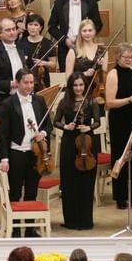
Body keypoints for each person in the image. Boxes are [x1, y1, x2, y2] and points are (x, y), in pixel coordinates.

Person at [0, 69, 51, 233]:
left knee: (31, 191)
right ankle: (14, 229)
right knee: (14, 191)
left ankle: (29, 228)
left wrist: (43, 133)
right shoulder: (8, 104)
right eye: (26, 82)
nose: (29, 86)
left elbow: (48, 124)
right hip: (16, 152)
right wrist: (4, 158)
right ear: (18, 82)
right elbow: (4, 134)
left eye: (31, 83)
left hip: (36, 153)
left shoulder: (39, 100)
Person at [54, 72, 100, 230]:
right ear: (70, 86)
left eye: (81, 85)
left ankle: (86, 220)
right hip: (69, 145)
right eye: (75, 85)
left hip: (87, 144)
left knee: (85, 183)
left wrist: (88, 127)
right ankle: (70, 220)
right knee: (69, 183)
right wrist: (66, 126)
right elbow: (56, 122)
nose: (78, 88)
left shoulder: (91, 102)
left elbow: (97, 122)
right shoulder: (64, 102)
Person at [48, 0, 103, 72]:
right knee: (67, 79)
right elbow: (51, 26)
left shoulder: (91, 2)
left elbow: (98, 24)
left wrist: (82, 37)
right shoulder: (59, 3)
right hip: (65, 47)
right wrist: (65, 40)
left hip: (87, 47)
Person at [0, 18, 30, 101]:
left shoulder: (23, 47)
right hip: (5, 98)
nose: (12, 32)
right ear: (0, 33)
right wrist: (9, 84)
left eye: (14, 29)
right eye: (8, 30)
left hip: (25, 95)